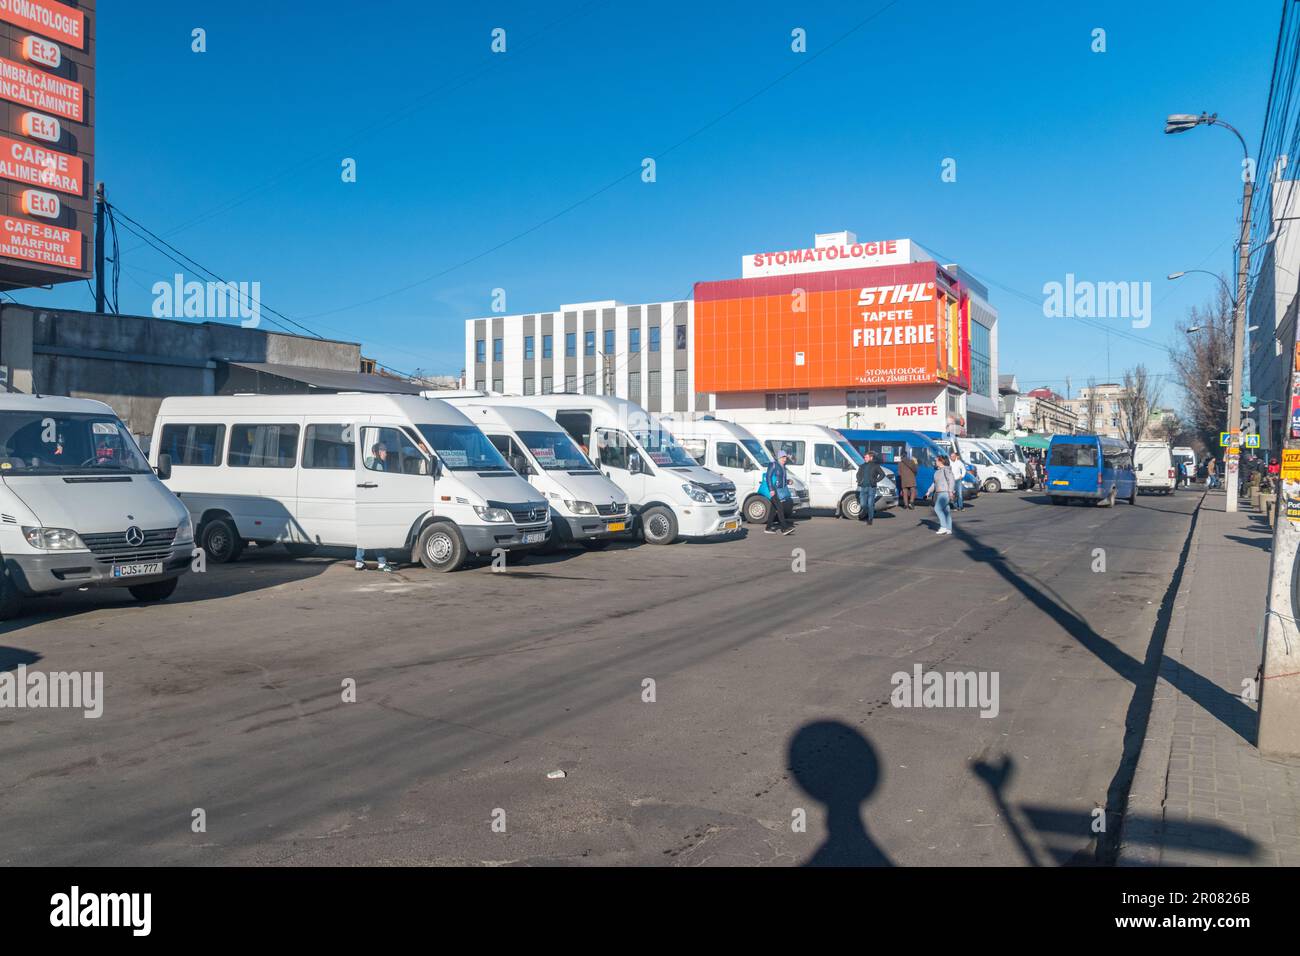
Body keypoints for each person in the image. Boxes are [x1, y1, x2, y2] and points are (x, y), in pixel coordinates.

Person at [357, 442, 394, 572]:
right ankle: (382, 563)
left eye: (385, 450)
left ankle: (359, 561)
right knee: (377, 534)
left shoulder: (367, 462)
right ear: (376, 452)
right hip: (374, 504)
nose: (386, 453)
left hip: (365, 502)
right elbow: (380, 484)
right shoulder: (377, 464)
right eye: (383, 450)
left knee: (365, 533)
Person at [763, 449, 795, 535]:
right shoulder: (773, 465)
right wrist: (771, 489)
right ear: (779, 457)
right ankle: (784, 528)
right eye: (783, 457)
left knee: (773, 509)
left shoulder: (783, 466)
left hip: (780, 490)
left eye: (785, 457)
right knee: (780, 508)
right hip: (774, 490)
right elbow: (768, 477)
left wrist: (788, 481)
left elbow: (782, 479)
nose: (785, 459)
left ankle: (768, 527)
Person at [927, 454, 955, 536]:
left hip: (945, 493)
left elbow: (951, 480)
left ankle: (943, 527)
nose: (935, 462)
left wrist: (950, 491)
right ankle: (948, 529)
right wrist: (928, 492)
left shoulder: (946, 470)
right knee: (946, 511)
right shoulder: (937, 472)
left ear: (941, 461)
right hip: (940, 493)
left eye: (936, 460)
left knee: (937, 508)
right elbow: (934, 484)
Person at [856, 451, 886, 524]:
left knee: (870, 504)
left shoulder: (875, 466)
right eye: (864, 457)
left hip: (872, 487)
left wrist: (875, 481)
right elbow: (858, 474)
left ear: (871, 458)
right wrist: (860, 481)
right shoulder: (862, 466)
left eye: (866, 457)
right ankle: (864, 511)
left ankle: (870, 519)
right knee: (863, 504)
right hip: (863, 487)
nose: (864, 458)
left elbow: (882, 474)